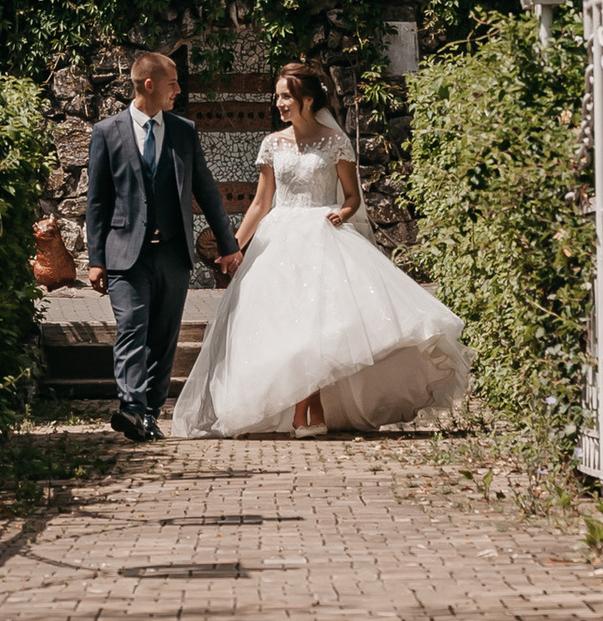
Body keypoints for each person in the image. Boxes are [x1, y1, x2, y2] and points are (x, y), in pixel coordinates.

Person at [175, 61, 471, 439]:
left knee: (316, 328)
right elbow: (260, 204)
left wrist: (341, 214)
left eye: (286, 96)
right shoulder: (272, 144)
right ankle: (307, 412)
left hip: (321, 236)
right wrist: (234, 247)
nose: (279, 103)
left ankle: (304, 414)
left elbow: (352, 197)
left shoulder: (335, 142)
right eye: (277, 96)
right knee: (288, 328)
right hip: (278, 240)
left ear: (307, 99)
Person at [81, 50, 240, 443]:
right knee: (131, 329)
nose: (178, 91)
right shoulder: (107, 131)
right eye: (173, 84)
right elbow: (97, 201)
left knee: (164, 337)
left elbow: (207, 191)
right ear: (149, 85)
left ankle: (149, 414)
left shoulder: (184, 131)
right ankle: (131, 407)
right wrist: (96, 260)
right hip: (125, 254)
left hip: (172, 253)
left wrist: (229, 245)